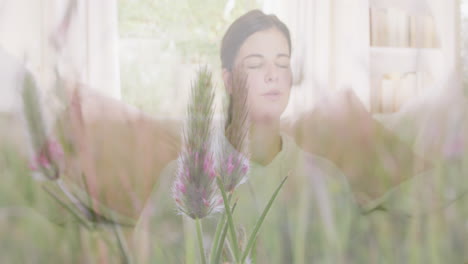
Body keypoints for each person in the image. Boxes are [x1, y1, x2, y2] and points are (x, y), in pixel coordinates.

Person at [133, 10, 356, 264]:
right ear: (228, 81)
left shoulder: (327, 182)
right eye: (255, 64)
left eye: (282, 63)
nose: (273, 74)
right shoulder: (186, 179)